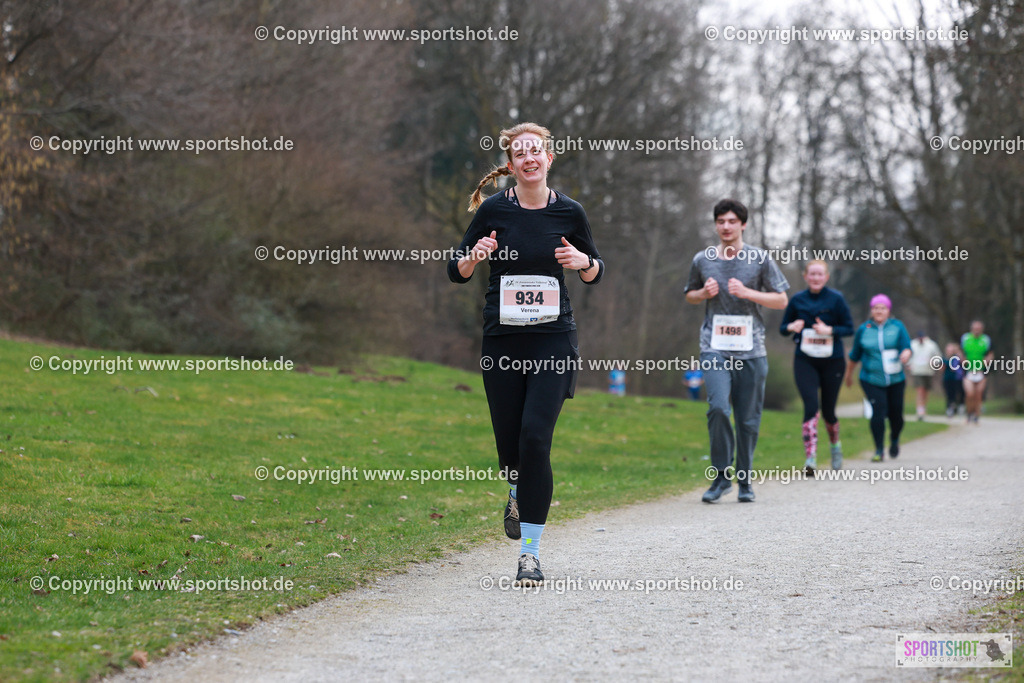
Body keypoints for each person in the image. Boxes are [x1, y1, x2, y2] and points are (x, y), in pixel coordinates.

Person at [447, 122, 603, 586]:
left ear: (548, 158)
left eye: (536, 151)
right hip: (503, 341)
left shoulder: (570, 212)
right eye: (520, 153)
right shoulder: (494, 209)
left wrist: (585, 263)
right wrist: (474, 256)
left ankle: (529, 555)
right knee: (512, 447)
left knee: (536, 439)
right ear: (511, 165)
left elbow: (596, 269)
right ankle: (516, 488)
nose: (529, 158)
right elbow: (456, 269)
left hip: (554, 339)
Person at [685, 199, 789, 503]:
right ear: (715, 225)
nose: (726, 227)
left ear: (743, 224)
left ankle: (745, 479)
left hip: (752, 349)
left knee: (747, 419)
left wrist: (748, 293)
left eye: (732, 221)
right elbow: (690, 295)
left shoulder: (759, 259)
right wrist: (702, 293)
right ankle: (721, 478)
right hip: (714, 347)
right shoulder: (702, 259)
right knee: (718, 407)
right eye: (721, 221)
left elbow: (781, 300)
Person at [779, 260, 854, 475]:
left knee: (829, 411)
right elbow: (783, 328)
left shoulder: (836, 299)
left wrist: (830, 330)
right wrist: (791, 326)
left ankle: (835, 445)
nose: (816, 278)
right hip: (805, 360)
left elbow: (849, 328)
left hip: (833, 361)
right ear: (805, 276)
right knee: (811, 406)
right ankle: (810, 459)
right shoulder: (797, 300)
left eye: (820, 274)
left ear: (826, 277)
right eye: (812, 274)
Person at [845, 294, 912, 462]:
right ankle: (879, 449)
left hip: (896, 379)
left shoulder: (897, 326)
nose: (879, 311)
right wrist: (848, 374)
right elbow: (854, 355)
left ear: (888, 310)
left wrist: (906, 353)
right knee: (878, 412)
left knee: (896, 415)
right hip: (871, 379)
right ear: (871, 310)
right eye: (876, 308)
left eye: (883, 308)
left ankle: (894, 439)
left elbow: (906, 346)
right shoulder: (864, 329)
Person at [960, 320, 992, 424]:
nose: (977, 330)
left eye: (979, 328)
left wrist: (987, 361)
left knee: (978, 394)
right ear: (972, 329)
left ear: (982, 329)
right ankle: (969, 413)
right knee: (970, 394)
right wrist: (962, 360)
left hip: (981, 371)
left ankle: (976, 415)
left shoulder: (986, 339)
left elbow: (990, 353)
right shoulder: (965, 338)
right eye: (975, 328)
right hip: (968, 371)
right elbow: (960, 352)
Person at [908, 331, 943, 421]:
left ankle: (923, 408)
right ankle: (920, 411)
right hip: (917, 371)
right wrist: (909, 364)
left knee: (925, 391)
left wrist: (937, 364)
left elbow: (937, 356)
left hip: (928, 371)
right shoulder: (913, 344)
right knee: (920, 390)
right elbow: (909, 356)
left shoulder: (931, 345)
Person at [942, 342, 965, 418]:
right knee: (949, 394)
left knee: (958, 393)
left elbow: (963, 363)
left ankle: (959, 407)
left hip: (957, 378)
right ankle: (950, 408)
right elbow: (942, 368)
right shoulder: (944, 359)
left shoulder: (957, 358)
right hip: (947, 378)